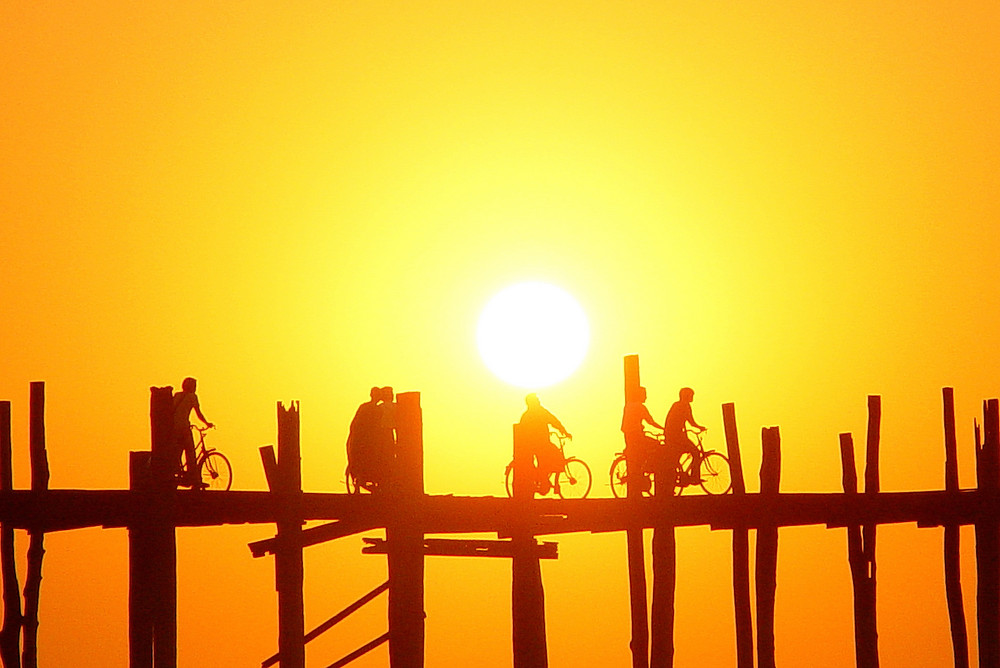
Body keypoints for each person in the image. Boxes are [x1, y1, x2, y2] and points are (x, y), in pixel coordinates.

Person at [518, 393, 571, 494]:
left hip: (531, 445)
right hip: (541, 444)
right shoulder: (540, 412)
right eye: (537, 399)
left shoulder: (526, 415)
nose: (539, 400)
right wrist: (563, 431)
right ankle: (545, 480)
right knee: (554, 454)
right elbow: (553, 420)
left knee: (545, 460)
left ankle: (543, 479)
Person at [172, 377, 213, 486]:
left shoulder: (177, 395)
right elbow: (198, 413)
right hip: (183, 428)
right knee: (191, 452)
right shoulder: (192, 397)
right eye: (194, 386)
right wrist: (207, 423)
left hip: (173, 428)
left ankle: (176, 470)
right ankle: (194, 478)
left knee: (178, 451)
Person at [621, 386, 663, 490]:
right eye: (644, 394)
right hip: (637, 437)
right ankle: (649, 467)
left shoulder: (628, 405)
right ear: (640, 395)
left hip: (628, 437)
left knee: (642, 451)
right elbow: (650, 421)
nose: (646, 397)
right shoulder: (640, 407)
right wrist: (663, 429)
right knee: (657, 445)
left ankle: (643, 468)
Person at [664, 387, 706, 486]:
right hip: (677, 436)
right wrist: (700, 427)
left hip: (672, 435)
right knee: (696, 453)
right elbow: (691, 421)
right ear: (686, 396)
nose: (692, 397)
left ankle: (679, 477)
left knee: (677, 455)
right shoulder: (684, 406)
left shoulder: (676, 405)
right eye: (691, 395)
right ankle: (694, 477)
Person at [346, 387, 381, 491]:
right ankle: (360, 483)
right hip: (365, 441)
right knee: (366, 462)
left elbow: (354, 424)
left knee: (362, 462)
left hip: (362, 440)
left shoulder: (365, 407)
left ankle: (359, 484)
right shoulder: (374, 409)